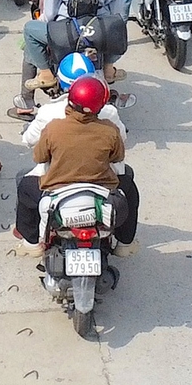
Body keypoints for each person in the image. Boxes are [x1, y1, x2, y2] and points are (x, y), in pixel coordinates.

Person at [15, 74, 138, 253]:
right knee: (130, 188)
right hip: (101, 189)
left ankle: (32, 244)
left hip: (57, 190)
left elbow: (39, 158)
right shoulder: (110, 130)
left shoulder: (53, 128)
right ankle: (125, 245)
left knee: (25, 186)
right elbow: (117, 157)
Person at [15, 0, 127, 117]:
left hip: (65, 34)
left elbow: (50, 10)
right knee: (118, 32)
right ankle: (108, 69)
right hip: (96, 36)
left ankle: (44, 74)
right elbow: (118, 16)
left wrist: (47, 21)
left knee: (30, 30)